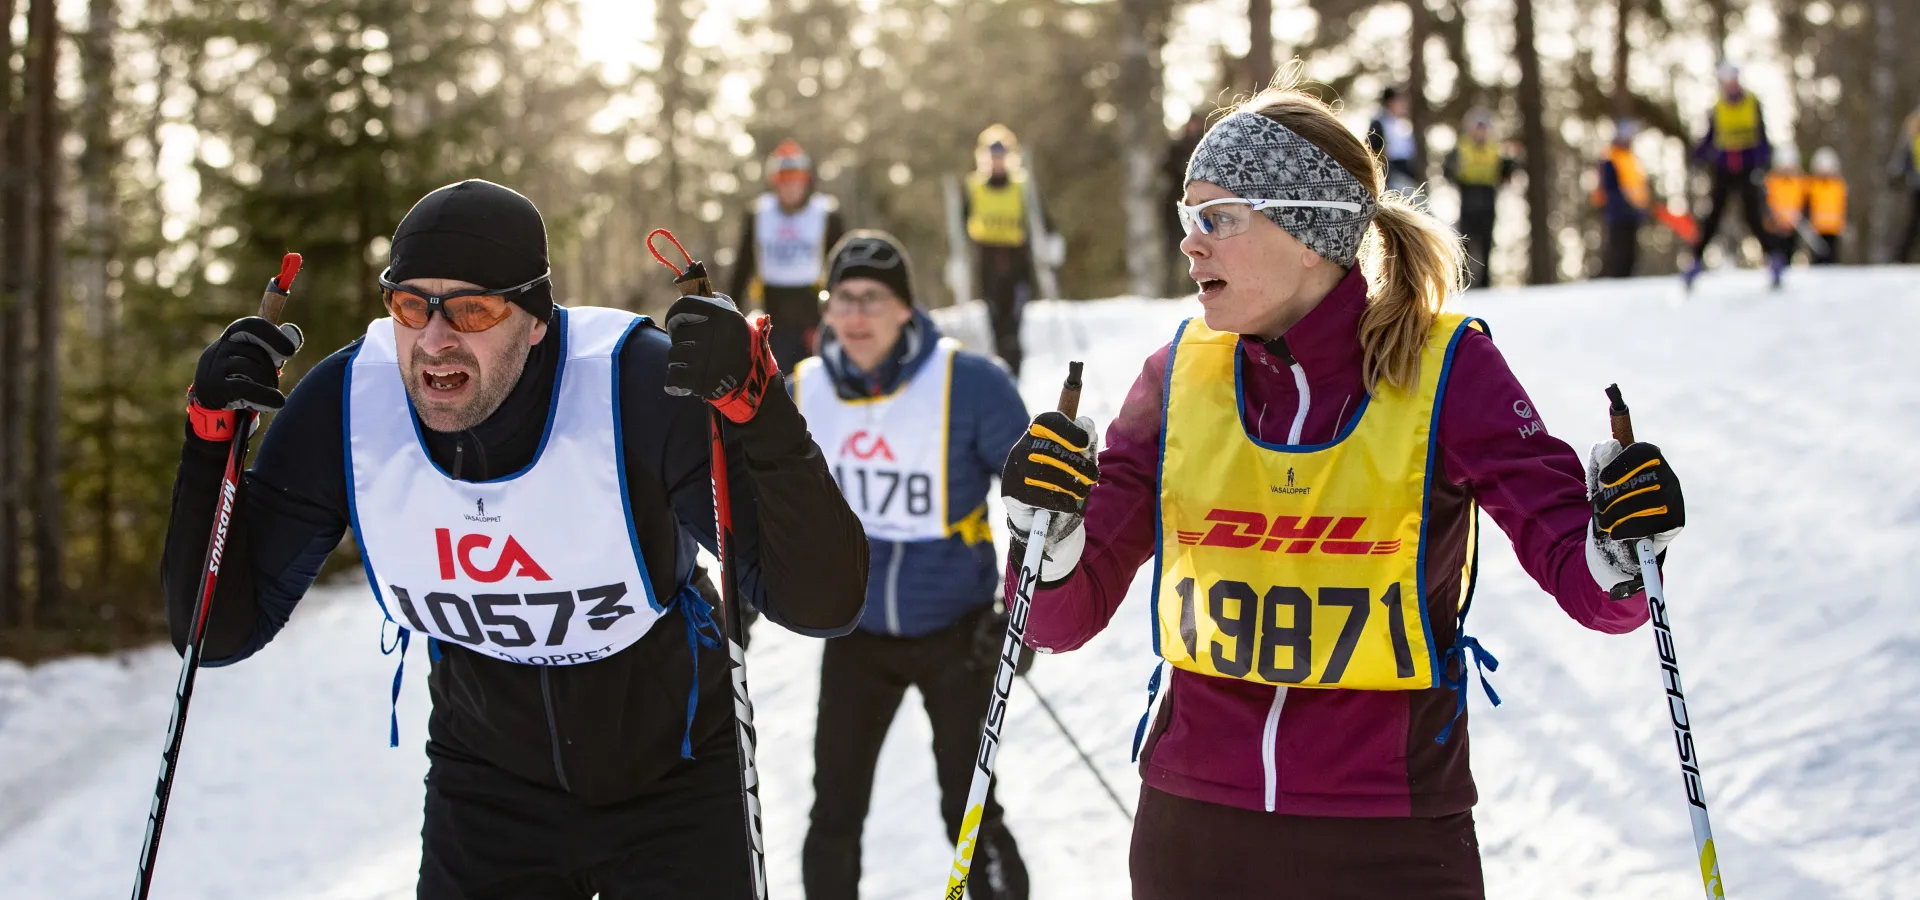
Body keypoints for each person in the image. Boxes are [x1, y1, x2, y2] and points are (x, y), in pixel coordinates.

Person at [998, 84, 1685, 898]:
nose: (1192, 246)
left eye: (1216, 219)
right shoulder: (1178, 378)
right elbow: (1054, 620)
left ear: (1309, 235)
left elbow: (1594, 590)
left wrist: (1623, 546)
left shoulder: (1445, 370)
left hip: (1388, 836)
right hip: (1195, 828)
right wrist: (1046, 537)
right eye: (1188, 219)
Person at [164, 179, 870, 898]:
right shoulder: (351, 404)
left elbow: (821, 601)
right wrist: (209, 441)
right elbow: (215, 631)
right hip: (489, 794)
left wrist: (761, 410)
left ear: (537, 320)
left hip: (676, 774)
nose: (435, 339)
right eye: (411, 305)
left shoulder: (636, 384)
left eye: (473, 309)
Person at [793, 231, 1033, 900]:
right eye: (843, 299)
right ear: (827, 311)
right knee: (834, 809)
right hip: (856, 635)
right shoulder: (806, 387)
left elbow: (1037, 513)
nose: (857, 315)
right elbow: (773, 504)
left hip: (956, 633)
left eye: (874, 299)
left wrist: (1021, 618)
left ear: (906, 309)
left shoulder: (970, 382)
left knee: (970, 811)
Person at [728, 138, 848, 373]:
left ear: (806, 182)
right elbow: (742, 268)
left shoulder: (826, 214)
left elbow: (842, 268)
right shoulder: (758, 214)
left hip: (814, 315)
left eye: (796, 181)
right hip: (774, 315)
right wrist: (731, 311)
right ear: (774, 183)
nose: (791, 188)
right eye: (784, 182)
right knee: (779, 381)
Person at [964, 124, 1057, 376]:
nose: (997, 162)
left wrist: (1051, 241)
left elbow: (1041, 219)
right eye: (992, 157)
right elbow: (962, 225)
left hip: (1017, 263)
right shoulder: (974, 187)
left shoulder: (1021, 186)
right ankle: (1001, 372)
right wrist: (958, 263)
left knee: (1013, 325)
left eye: (1001, 156)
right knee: (996, 323)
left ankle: (1015, 374)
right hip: (988, 263)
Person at [1684, 60, 1779, 288]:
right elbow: (1709, 137)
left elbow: (1762, 137)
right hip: (1724, 168)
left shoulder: (1751, 103)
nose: (1731, 86)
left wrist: (1762, 163)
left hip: (1747, 168)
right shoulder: (1718, 108)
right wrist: (1697, 157)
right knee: (1713, 216)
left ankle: (1774, 259)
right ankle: (1695, 261)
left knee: (1753, 216)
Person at [1443, 110, 1520, 288]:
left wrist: (1510, 166)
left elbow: (1505, 171)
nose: (1480, 132)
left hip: (1487, 195)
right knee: (1465, 241)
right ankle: (1462, 281)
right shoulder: (1462, 147)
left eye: (1483, 128)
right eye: (1477, 128)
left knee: (1486, 240)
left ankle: (1485, 282)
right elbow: (1448, 168)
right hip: (1468, 195)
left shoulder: (1495, 148)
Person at [1592, 117, 1651, 278]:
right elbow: (1611, 187)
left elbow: (1638, 185)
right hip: (1618, 210)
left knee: (1630, 247)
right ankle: (1615, 276)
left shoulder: (1631, 159)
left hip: (1633, 211)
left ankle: (1627, 275)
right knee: (1618, 245)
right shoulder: (1611, 157)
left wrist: (1642, 206)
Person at [1163, 113, 1209, 295]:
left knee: (1199, 245)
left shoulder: (1205, 145)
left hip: (1200, 206)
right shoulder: (1177, 146)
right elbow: (1165, 168)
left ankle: (1194, 288)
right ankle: (1171, 289)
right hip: (1175, 204)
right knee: (1173, 247)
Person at [1367, 86, 1420, 194]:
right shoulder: (1378, 123)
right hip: (1390, 174)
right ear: (1391, 102)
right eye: (1400, 102)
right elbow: (1373, 150)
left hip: (1405, 172)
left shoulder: (1402, 124)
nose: (1403, 106)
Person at [1764, 145, 1809, 264]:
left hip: (1794, 227)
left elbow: (1806, 203)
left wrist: (1800, 217)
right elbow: (1766, 203)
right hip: (1775, 228)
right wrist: (1773, 220)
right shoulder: (1770, 181)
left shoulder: (1801, 182)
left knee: (1790, 255)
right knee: (1776, 256)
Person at [1804, 148, 1847, 265]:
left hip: (1833, 230)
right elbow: (1806, 207)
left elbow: (1842, 206)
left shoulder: (1838, 186)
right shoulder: (1811, 186)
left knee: (1832, 260)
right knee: (1818, 261)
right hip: (1817, 230)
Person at [1889, 111, 1920, 263]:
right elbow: (1902, 162)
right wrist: (1895, 176)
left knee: (1912, 224)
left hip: (1915, 185)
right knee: (1912, 224)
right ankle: (1901, 258)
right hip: (1917, 187)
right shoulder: (1912, 141)